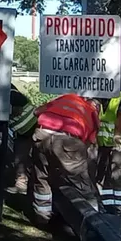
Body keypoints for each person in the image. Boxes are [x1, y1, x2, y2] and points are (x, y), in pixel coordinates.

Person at [30, 92, 101, 224]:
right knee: (82, 183)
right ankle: (94, 221)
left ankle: (42, 217)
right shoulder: (93, 114)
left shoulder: (67, 97)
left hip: (42, 134)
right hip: (68, 140)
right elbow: (87, 145)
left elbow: (36, 112)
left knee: (42, 176)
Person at [96, 91, 121, 215]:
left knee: (117, 174)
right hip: (102, 143)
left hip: (119, 143)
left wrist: (117, 136)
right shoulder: (96, 94)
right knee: (101, 174)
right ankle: (106, 206)